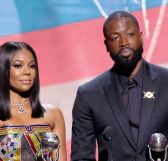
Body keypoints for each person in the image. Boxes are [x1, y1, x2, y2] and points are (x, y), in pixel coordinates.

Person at [71, 11, 168, 161]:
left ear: (141, 36)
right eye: (115, 37)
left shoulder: (166, 82)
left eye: (130, 34)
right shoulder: (89, 95)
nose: (124, 42)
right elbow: (82, 157)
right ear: (106, 45)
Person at [0, 41, 67, 161]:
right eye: (18, 66)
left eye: (32, 66)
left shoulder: (53, 114)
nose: (27, 72)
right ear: (3, 69)